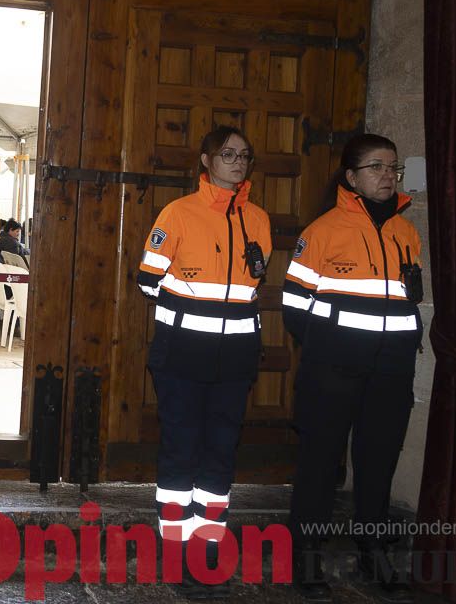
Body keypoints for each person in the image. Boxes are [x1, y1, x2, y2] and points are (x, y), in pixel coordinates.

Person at [283, 135, 422, 603]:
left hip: (391, 374)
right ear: (352, 177)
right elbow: (294, 309)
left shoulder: (405, 232)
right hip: (332, 372)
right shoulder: (322, 231)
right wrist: (335, 349)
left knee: (377, 466)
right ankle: (306, 556)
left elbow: (408, 301)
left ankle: (373, 552)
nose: (387, 175)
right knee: (320, 467)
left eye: (393, 167)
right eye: (377, 167)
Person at [135, 125, 271, 596]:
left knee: (220, 452)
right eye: (228, 154)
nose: (238, 162)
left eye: (245, 155)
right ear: (206, 160)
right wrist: (192, 311)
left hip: (234, 358)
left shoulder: (259, 219)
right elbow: (148, 281)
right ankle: (174, 549)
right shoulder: (178, 213)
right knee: (181, 450)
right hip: (182, 357)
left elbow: (256, 281)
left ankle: (208, 546)